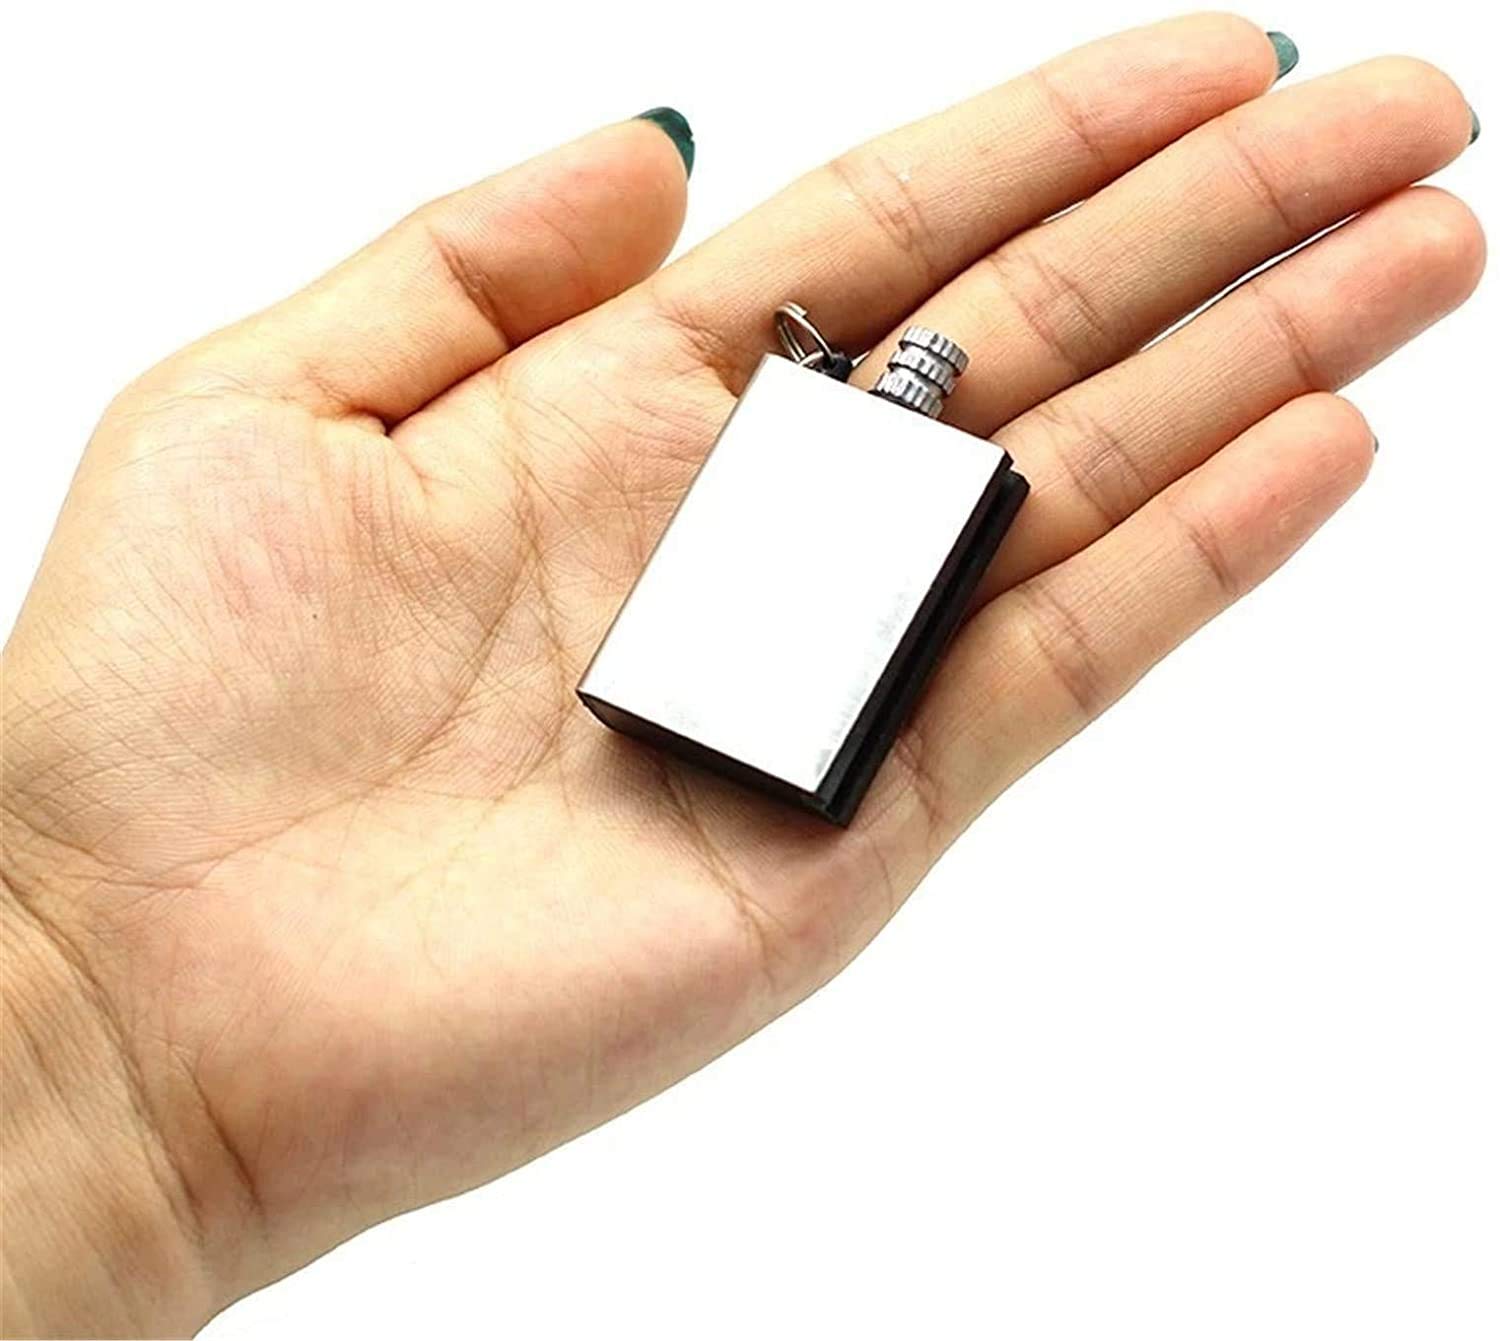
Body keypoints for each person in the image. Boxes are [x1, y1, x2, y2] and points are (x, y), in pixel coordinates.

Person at [0, 15, 1483, 1337]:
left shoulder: (827, 427)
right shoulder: (857, 439)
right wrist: (72, 1002)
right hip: (719, 716)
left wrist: (93, 1074)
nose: (918, 379)